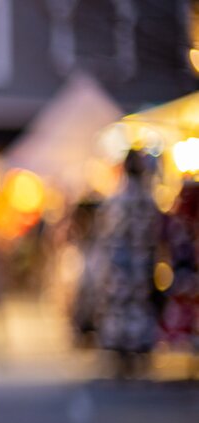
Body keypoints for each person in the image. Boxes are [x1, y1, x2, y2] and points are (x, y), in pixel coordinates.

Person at [92, 149, 162, 378]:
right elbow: (155, 237)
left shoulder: (116, 200)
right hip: (140, 269)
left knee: (121, 313)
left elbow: (107, 236)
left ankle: (122, 361)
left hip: (121, 270)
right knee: (137, 312)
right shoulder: (148, 200)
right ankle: (136, 360)